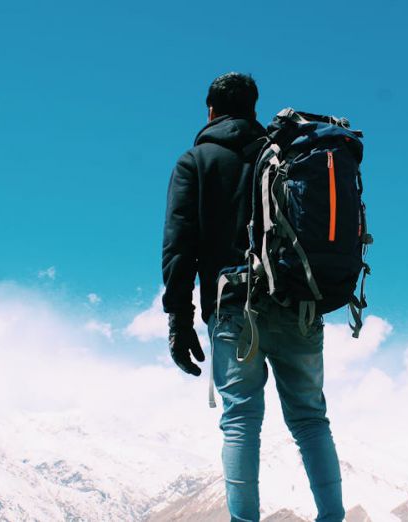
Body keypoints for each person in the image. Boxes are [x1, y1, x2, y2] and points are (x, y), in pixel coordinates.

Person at [161, 72, 346, 522]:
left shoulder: (196, 161)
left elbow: (179, 248)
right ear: (253, 108)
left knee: (242, 421)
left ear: (210, 110)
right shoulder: (284, 154)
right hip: (298, 303)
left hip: (234, 308)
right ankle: (332, 516)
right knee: (309, 419)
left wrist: (179, 322)